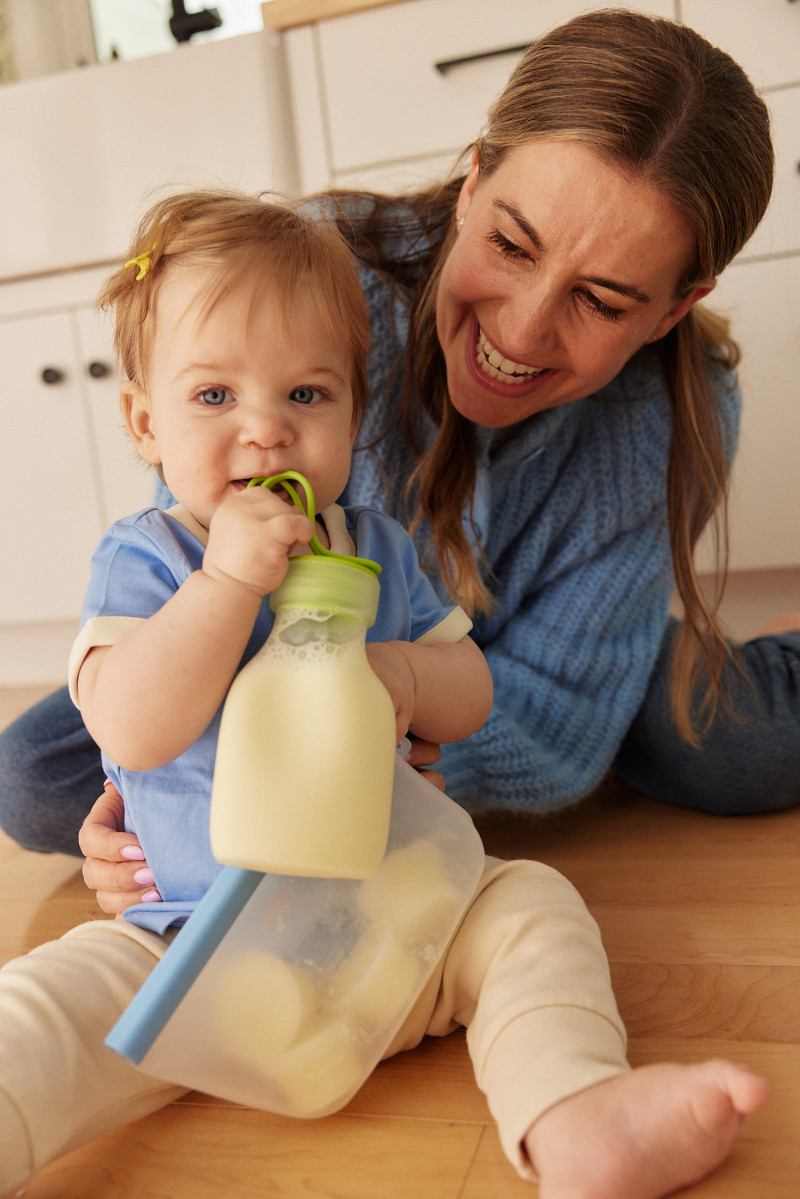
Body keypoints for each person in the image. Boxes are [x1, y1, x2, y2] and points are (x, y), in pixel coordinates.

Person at [0, 188, 769, 1198]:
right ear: (144, 422)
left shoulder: (373, 546)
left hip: (397, 920)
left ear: (353, 410)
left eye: (306, 397)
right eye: (215, 398)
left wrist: (404, 672)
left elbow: (471, 689)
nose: (265, 433)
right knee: (40, 1012)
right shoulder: (148, 559)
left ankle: (571, 1110)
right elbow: (134, 726)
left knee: (529, 907)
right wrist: (228, 583)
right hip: (183, 943)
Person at [2, 11, 798, 891]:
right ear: (473, 181)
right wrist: (153, 793)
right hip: (280, 652)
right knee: (32, 777)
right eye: (509, 244)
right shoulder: (310, 283)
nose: (522, 331)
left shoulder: (673, 415)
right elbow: (195, 525)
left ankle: (730, 649)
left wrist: (374, 773)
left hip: (525, 658)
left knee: (740, 756)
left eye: (603, 301)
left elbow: (552, 715)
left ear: (673, 309)